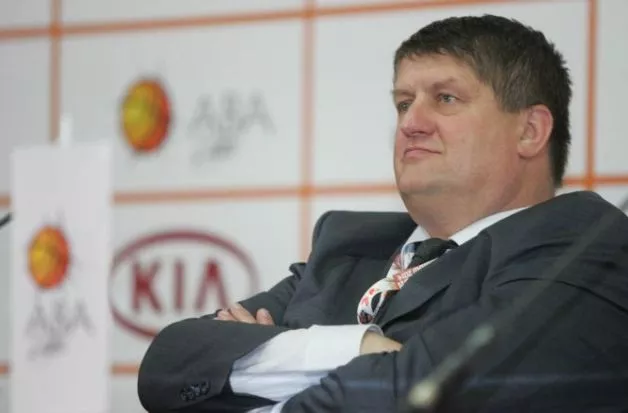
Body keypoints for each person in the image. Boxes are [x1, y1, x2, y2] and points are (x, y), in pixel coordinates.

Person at [137, 14, 628, 412]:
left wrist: (268, 363)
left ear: (530, 131)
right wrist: (359, 347)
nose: (411, 123)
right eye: (403, 103)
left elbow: (424, 393)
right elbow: (169, 364)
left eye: (446, 98)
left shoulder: (591, 246)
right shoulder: (348, 247)